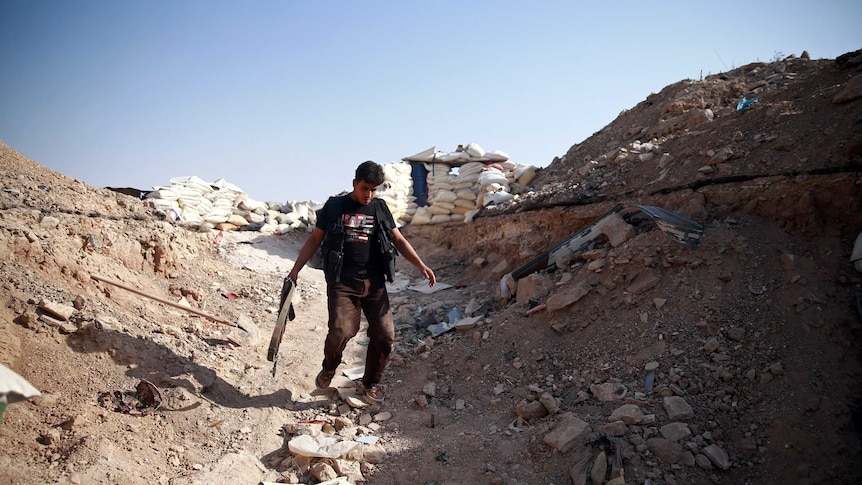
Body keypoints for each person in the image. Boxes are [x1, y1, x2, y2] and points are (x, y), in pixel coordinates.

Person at [287, 161, 436, 404]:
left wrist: (420, 264)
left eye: (374, 190)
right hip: (342, 283)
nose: (369, 195)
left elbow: (398, 239)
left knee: (386, 334)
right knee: (342, 330)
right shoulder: (335, 206)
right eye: (365, 188)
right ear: (355, 183)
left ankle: (370, 384)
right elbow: (315, 240)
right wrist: (295, 271)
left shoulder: (380, 208)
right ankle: (329, 367)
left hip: (375, 283)